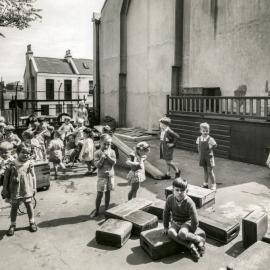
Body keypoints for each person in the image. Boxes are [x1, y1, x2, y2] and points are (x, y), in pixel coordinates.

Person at [163, 178, 205, 262]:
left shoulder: (190, 202)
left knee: (182, 233)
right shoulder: (170, 199)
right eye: (177, 190)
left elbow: (195, 219)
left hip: (187, 222)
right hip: (175, 222)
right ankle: (190, 245)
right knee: (171, 232)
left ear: (187, 191)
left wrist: (192, 231)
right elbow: (166, 213)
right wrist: (166, 227)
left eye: (182, 190)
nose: (179, 192)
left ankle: (199, 239)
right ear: (173, 190)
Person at [1, 143, 37, 236]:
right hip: (14, 189)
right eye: (23, 152)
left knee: (29, 204)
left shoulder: (30, 163)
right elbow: (6, 178)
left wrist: (34, 188)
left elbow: (33, 176)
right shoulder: (11, 164)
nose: (26, 154)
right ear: (17, 152)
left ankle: (32, 222)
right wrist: (5, 189)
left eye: (28, 153)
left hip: (26, 189)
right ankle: (13, 225)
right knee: (14, 207)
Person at [93, 134, 116, 217]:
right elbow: (97, 166)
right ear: (100, 143)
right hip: (102, 177)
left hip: (110, 176)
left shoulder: (112, 151)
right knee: (99, 193)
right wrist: (102, 158)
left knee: (108, 192)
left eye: (109, 144)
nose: (106, 146)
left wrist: (108, 157)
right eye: (105, 144)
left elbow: (113, 163)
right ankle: (97, 210)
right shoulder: (97, 153)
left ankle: (107, 209)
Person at [196, 122, 217, 190]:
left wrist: (210, 150)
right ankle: (205, 184)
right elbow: (198, 147)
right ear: (200, 131)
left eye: (207, 131)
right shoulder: (199, 138)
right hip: (202, 157)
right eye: (203, 131)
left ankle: (214, 184)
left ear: (209, 131)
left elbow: (215, 145)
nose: (205, 132)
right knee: (205, 170)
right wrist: (199, 153)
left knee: (210, 171)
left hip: (209, 157)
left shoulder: (210, 139)